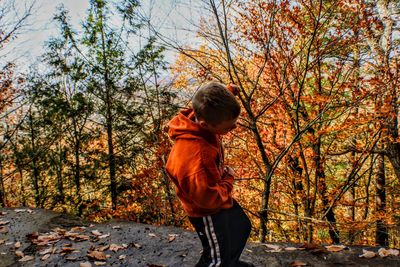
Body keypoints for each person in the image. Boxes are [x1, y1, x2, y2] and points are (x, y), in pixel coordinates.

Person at [166, 81, 254, 267]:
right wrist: (228, 181)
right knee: (216, 256)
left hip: (215, 190)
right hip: (206, 209)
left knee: (241, 227)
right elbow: (207, 199)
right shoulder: (196, 156)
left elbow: (210, 101)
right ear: (206, 125)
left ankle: (229, 262)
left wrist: (228, 93)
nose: (234, 128)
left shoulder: (200, 117)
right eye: (229, 127)